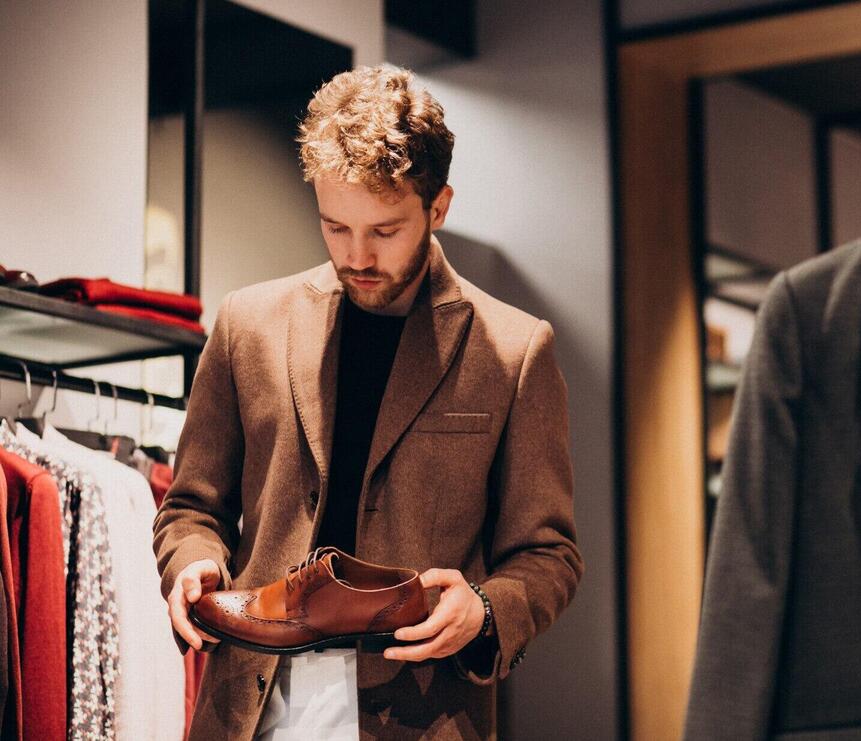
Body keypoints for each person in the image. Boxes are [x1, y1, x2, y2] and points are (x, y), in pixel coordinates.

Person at [152, 64, 583, 741]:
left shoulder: (514, 349)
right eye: (334, 226)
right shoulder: (247, 324)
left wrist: (485, 608)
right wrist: (192, 562)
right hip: (250, 705)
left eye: (385, 231)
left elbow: (548, 551)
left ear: (438, 207)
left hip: (424, 711)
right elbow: (191, 506)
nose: (358, 255)